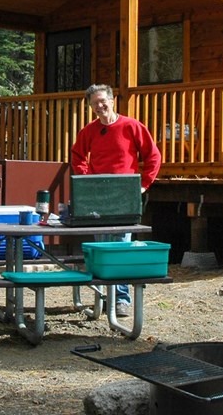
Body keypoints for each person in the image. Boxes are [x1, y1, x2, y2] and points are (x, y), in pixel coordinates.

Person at [71, 84, 161, 317]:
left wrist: (144, 184)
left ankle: (121, 300)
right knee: (100, 246)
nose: (99, 106)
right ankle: (100, 298)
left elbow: (153, 155)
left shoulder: (132, 126)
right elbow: (78, 156)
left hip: (124, 195)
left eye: (103, 101)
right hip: (98, 195)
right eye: (94, 103)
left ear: (112, 101)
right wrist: (87, 179)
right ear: (90, 106)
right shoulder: (89, 131)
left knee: (121, 245)